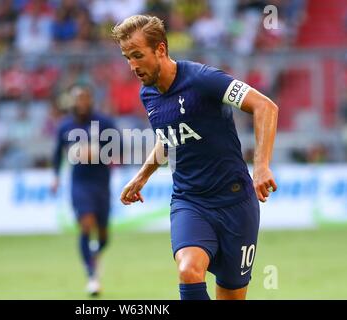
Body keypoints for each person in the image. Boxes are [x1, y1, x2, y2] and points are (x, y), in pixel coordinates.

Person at [112, 15, 278, 300]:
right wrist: (141, 177)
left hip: (235, 203)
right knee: (188, 269)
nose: (133, 66)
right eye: (128, 57)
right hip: (190, 202)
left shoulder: (204, 80)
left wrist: (261, 166)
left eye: (138, 55)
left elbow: (265, 107)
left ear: (161, 49)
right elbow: (169, 139)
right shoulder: (148, 95)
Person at [51, 85, 116, 296]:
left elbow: (120, 148)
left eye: (85, 98)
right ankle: (92, 277)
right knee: (86, 225)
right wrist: (55, 177)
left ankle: (95, 255)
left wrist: (97, 152)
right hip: (79, 184)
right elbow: (57, 154)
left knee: (104, 236)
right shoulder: (65, 126)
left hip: (101, 183)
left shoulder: (104, 123)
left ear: (91, 100)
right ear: (72, 101)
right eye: (78, 98)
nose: (82, 102)